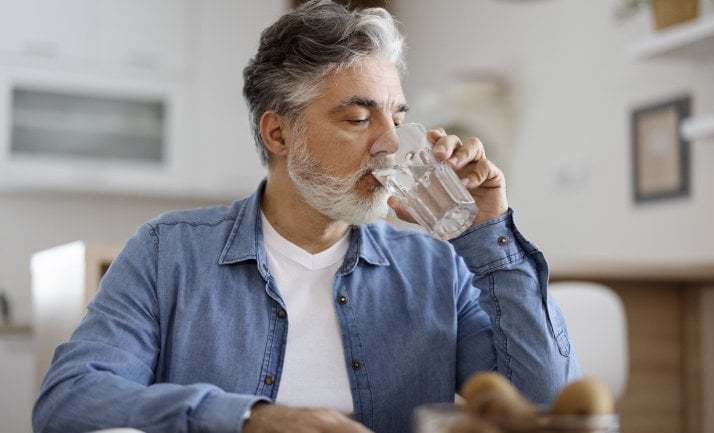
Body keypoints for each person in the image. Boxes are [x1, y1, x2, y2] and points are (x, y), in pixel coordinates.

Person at [32, 1, 580, 432]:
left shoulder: (438, 266)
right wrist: (249, 420)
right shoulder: (166, 253)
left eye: (398, 117)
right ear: (279, 133)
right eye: (358, 118)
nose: (390, 145)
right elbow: (69, 400)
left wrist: (487, 230)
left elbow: (545, 405)